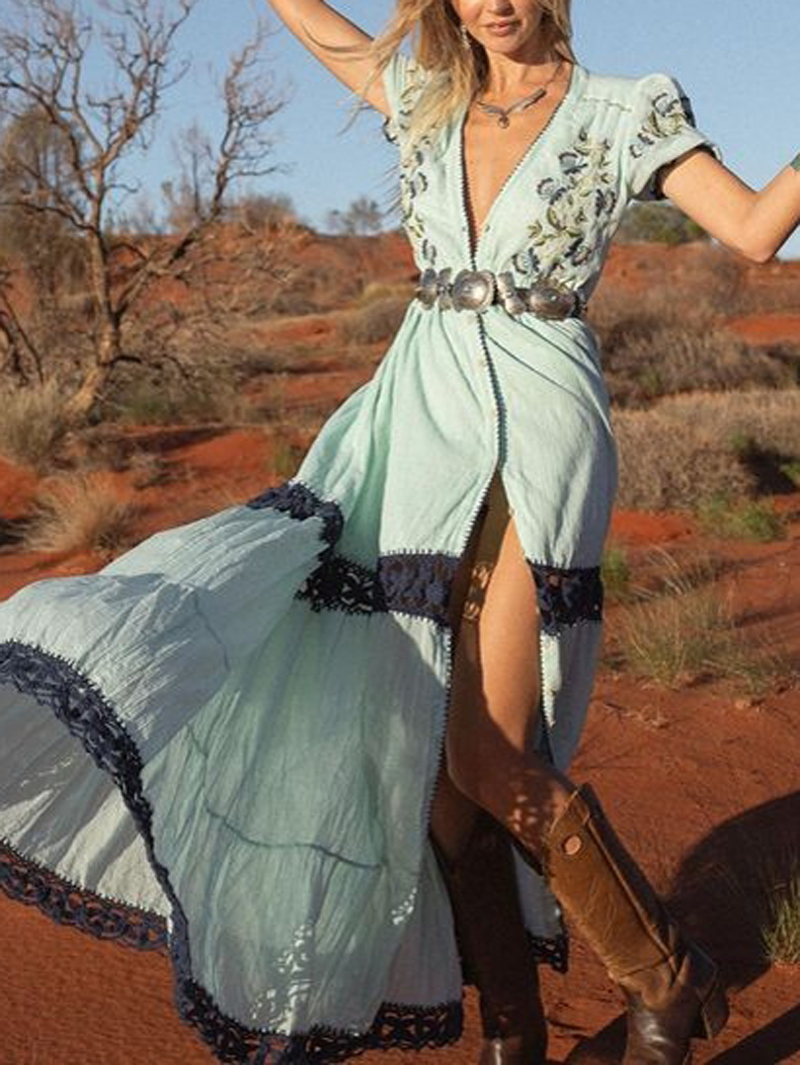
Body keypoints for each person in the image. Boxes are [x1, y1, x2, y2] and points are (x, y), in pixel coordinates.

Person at [0, 1, 798, 1063]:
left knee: (490, 753)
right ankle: (513, 1036)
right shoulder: (422, 97)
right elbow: (316, 27)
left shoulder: (623, 110)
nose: (493, 3)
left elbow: (753, 231)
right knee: (436, 776)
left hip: (539, 417)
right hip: (414, 423)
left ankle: (667, 977)